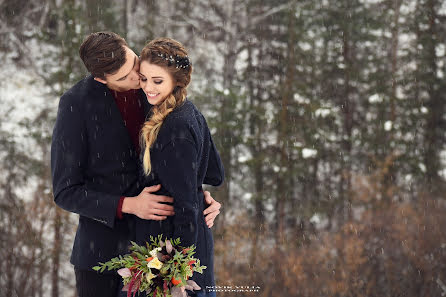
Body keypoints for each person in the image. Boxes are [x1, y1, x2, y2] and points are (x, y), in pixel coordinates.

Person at [51, 32, 222, 297]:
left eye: (134, 62)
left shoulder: (153, 86)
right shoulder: (76, 104)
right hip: (103, 254)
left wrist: (198, 195)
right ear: (101, 79)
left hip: (160, 246)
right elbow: (65, 191)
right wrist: (128, 204)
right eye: (124, 77)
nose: (136, 77)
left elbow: (189, 159)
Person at [135, 38, 224, 297]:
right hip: (184, 243)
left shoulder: (175, 128)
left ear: (177, 81)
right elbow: (214, 173)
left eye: (157, 81)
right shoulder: (188, 111)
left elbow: (185, 208)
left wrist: (177, 276)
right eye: (144, 79)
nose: (148, 88)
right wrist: (196, 190)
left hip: (173, 250)